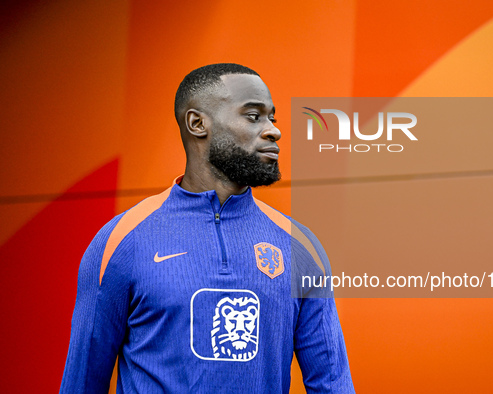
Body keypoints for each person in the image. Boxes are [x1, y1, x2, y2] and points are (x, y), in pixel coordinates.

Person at [60, 63, 354, 393]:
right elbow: (81, 383)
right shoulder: (120, 242)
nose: (274, 131)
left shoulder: (301, 248)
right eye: (254, 116)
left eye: (272, 118)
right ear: (198, 123)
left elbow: (333, 385)